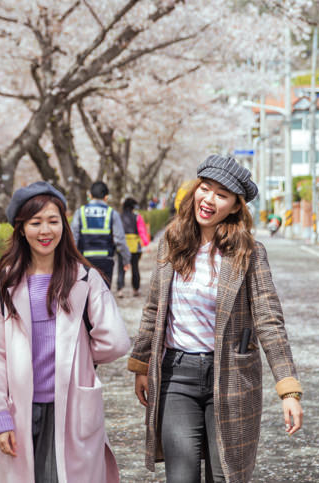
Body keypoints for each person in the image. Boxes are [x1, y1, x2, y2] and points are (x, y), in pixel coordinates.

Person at [128, 155, 303, 483]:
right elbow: (155, 309)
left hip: (232, 376)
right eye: (204, 189)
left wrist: (288, 389)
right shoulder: (172, 242)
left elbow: (268, 319)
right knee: (181, 477)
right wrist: (140, 363)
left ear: (236, 206)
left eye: (221, 195)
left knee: (225, 477)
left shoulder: (249, 253)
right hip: (176, 376)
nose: (208, 200)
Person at [0, 181, 131, 483]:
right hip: (20, 409)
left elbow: (116, 341)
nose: (45, 231)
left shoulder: (85, 279)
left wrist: (80, 354)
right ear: (21, 229)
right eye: (35, 223)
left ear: (64, 224)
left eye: (53, 221)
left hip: (73, 408)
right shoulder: (0, 285)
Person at [70, 181, 130, 289]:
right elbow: (120, 240)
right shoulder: (112, 213)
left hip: (84, 261)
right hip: (105, 262)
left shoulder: (80, 212)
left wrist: (70, 260)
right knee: (103, 296)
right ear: (106, 197)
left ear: (90, 195)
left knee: (85, 297)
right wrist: (126, 260)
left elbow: (73, 238)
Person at [118, 197, 151, 297]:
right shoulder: (137, 217)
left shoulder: (119, 216)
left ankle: (120, 289)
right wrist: (146, 243)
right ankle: (135, 289)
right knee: (135, 268)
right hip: (134, 247)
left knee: (121, 268)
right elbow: (142, 231)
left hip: (122, 246)